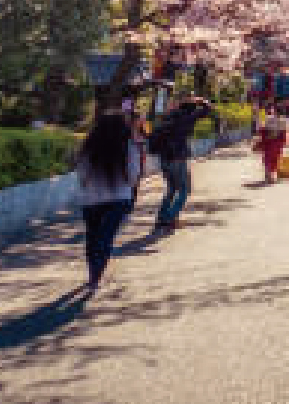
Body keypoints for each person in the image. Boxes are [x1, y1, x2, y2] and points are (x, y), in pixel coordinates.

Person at [75, 112, 142, 291]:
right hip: (119, 199)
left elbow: (81, 175)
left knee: (92, 236)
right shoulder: (129, 147)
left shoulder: (88, 147)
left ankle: (92, 275)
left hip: (92, 199)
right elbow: (134, 177)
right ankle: (96, 275)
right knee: (106, 237)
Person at [149, 95, 215, 233]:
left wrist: (184, 101)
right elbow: (208, 109)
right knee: (184, 189)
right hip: (178, 157)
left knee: (171, 189)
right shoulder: (188, 117)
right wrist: (201, 100)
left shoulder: (169, 116)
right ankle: (170, 217)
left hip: (164, 158)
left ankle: (161, 219)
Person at [256, 108, 289, 183]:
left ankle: (268, 174)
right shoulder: (283, 121)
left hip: (270, 142)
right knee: (274, 158)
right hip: (275, 143)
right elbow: (284, 133)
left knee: (268, 158)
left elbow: (261, 129)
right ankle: (269, 175)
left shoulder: (269, 119)